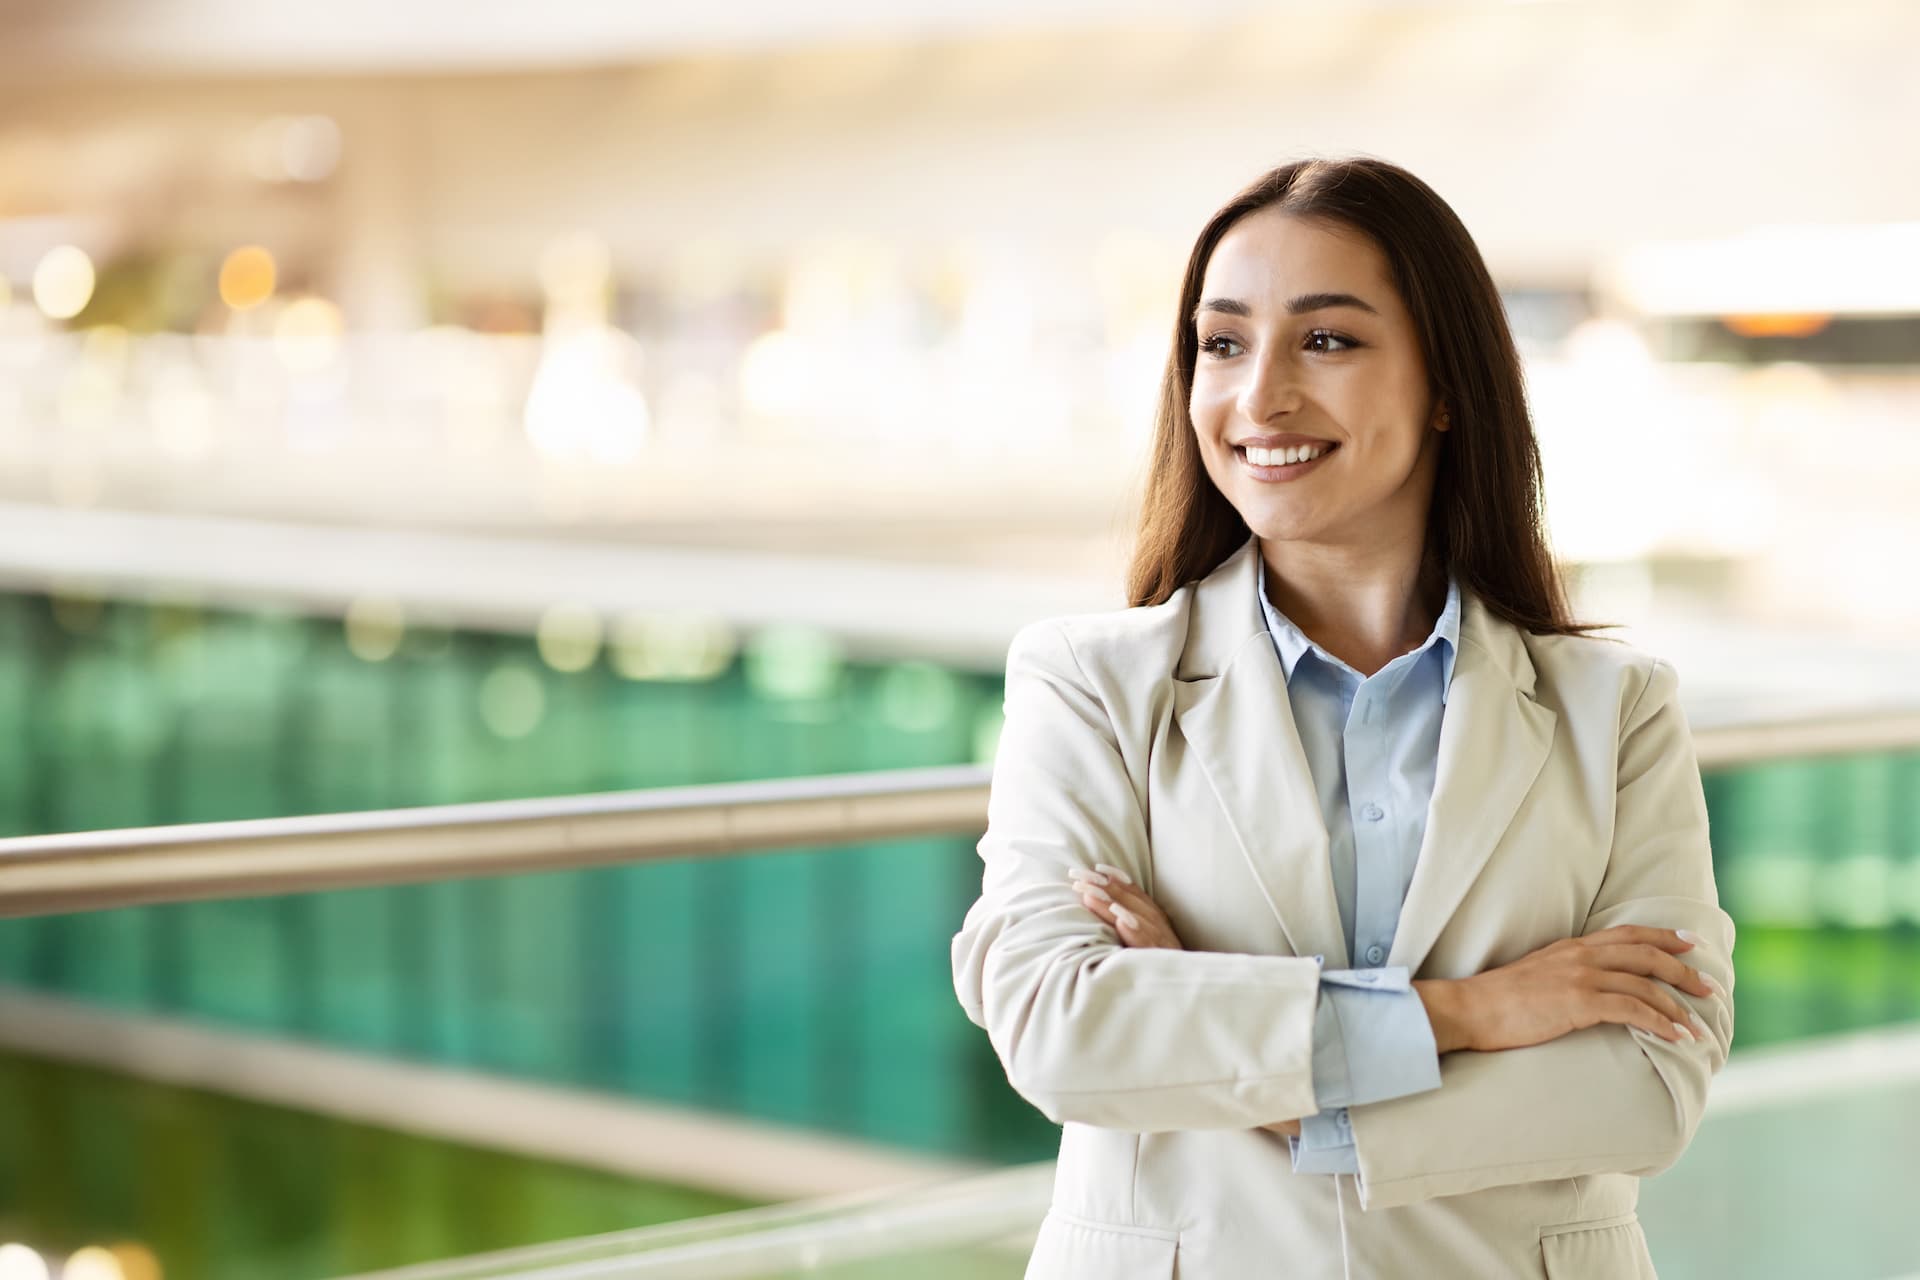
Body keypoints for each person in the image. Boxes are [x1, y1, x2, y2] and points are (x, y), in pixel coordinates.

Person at [949, 156, 1734, 1280]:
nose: (1259, 394)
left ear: (1446, 383)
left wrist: (1250, 1065)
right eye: (1222, 342)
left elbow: (1649, 1086)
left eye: (1327, 340)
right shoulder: (1089, 682)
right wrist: (1475, 1010)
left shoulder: (1617, 710)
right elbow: (1061, 1025)